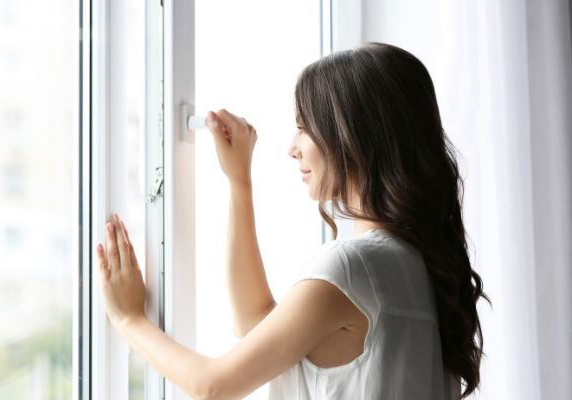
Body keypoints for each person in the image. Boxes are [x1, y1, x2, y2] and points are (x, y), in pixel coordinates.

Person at [96, 42, 490, 399]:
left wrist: (129, 318)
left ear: (353, 135)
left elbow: (212, 386)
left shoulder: (355, 268)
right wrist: (239, 183)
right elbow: (256, 323)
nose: (292, 148)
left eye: (304, 127)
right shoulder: (413, 264)